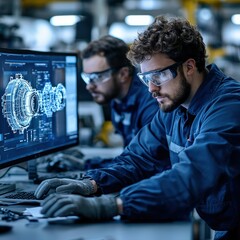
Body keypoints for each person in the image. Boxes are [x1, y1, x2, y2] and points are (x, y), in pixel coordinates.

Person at [35, 15, 240, 240]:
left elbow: (193, 173)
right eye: (146, 78)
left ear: (189, 66)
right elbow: (138, 159)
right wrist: (91, 183)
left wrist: (113, 205)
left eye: (159, 75)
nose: (151, 89)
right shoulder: (174, 107)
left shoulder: (228, 107)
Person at [80, 35, 159, 169]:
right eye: (87, 78)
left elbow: (145, 164)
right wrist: (87, 163)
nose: (89, 86)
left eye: (97, 77)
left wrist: (88, 166)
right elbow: (129, 158)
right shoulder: (117, 99)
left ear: (123, 74)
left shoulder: (151, 104)